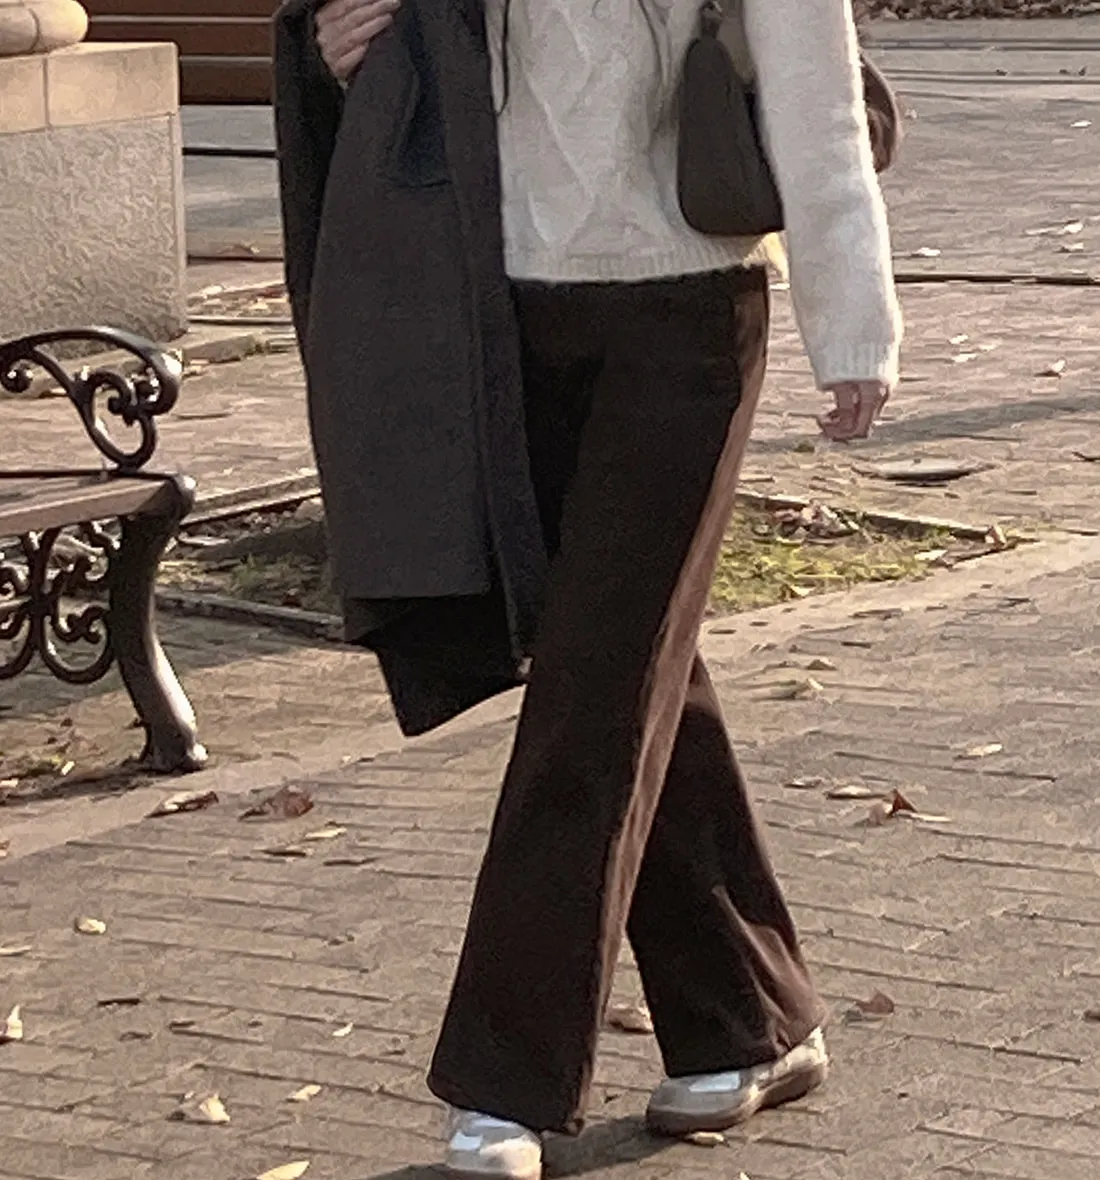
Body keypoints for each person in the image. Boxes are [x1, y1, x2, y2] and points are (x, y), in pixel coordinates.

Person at [275, 1, 903, 1177]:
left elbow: (814, 95)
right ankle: (752, 1017)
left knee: (593, 695)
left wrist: (852, 327)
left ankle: (503, 1080)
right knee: (630, 668)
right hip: (495, 316)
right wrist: (338, 47)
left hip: (684, 321)